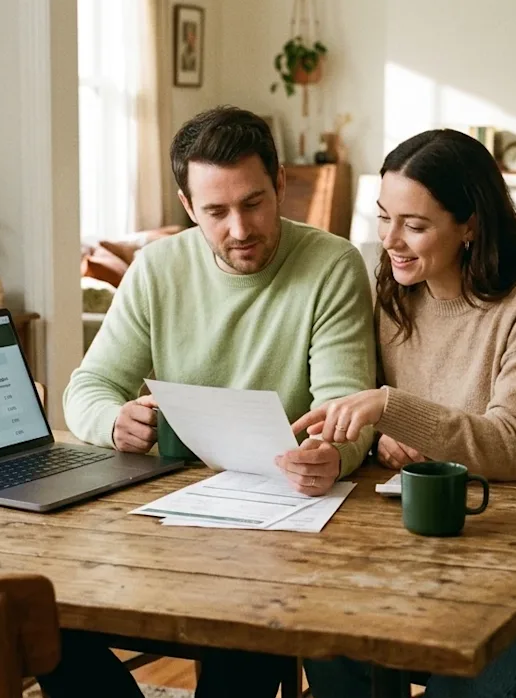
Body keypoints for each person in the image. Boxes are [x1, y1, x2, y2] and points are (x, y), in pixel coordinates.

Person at [52, 105, 376, 698]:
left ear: (280, 183)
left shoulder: (332, 265)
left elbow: (345, 409)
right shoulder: (157, 269)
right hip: (167, 513)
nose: (240, 229)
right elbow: (88, 387)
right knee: (44, 613)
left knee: (244, 624)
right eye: (216, 212)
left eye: (253, 203)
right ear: (187, 205)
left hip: (281, 522)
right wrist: (114, 420)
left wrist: (331, 453)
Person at [293, 129, 516, 698]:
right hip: (432, 547)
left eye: (415, 226)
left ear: (471, 225)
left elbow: (509, 446)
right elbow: (385, 425)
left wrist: (391, 409)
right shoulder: (396, 295)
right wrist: (377, 440)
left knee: (462, 675)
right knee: (330, 638)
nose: (391, 240)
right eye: (383, 217)